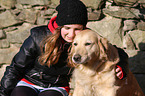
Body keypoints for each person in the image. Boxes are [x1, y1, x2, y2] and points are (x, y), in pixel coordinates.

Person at [0, 0, 129, 96]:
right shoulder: (38, 36)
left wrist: (121, 65)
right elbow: (16, 67)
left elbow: (115, 50)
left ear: (83, 28)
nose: (71, 34)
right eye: (67, 28)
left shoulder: (87, 38)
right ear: (59, 26)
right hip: (29, 82)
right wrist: (3, 92)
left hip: (56, 87)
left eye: (77, 29)